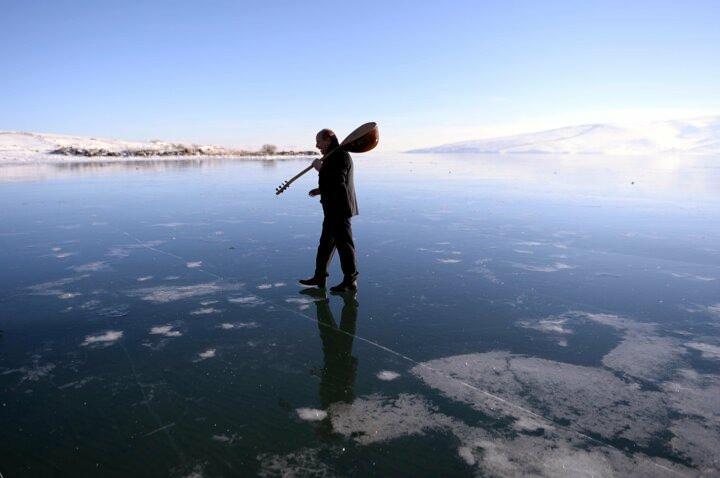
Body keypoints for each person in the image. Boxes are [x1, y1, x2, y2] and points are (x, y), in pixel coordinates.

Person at [298, 128, 359, 293]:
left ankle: (350, 281)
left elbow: (339, 183)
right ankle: (319, 276)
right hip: (332, 210)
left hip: (340, 209)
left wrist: (321, 168)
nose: (317, 145)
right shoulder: (333, 156)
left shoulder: (341, 155)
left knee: (344, 246)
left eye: (319, 141)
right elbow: (333, 183)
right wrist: (320, 190)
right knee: (325, 245)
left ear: (328, 140)